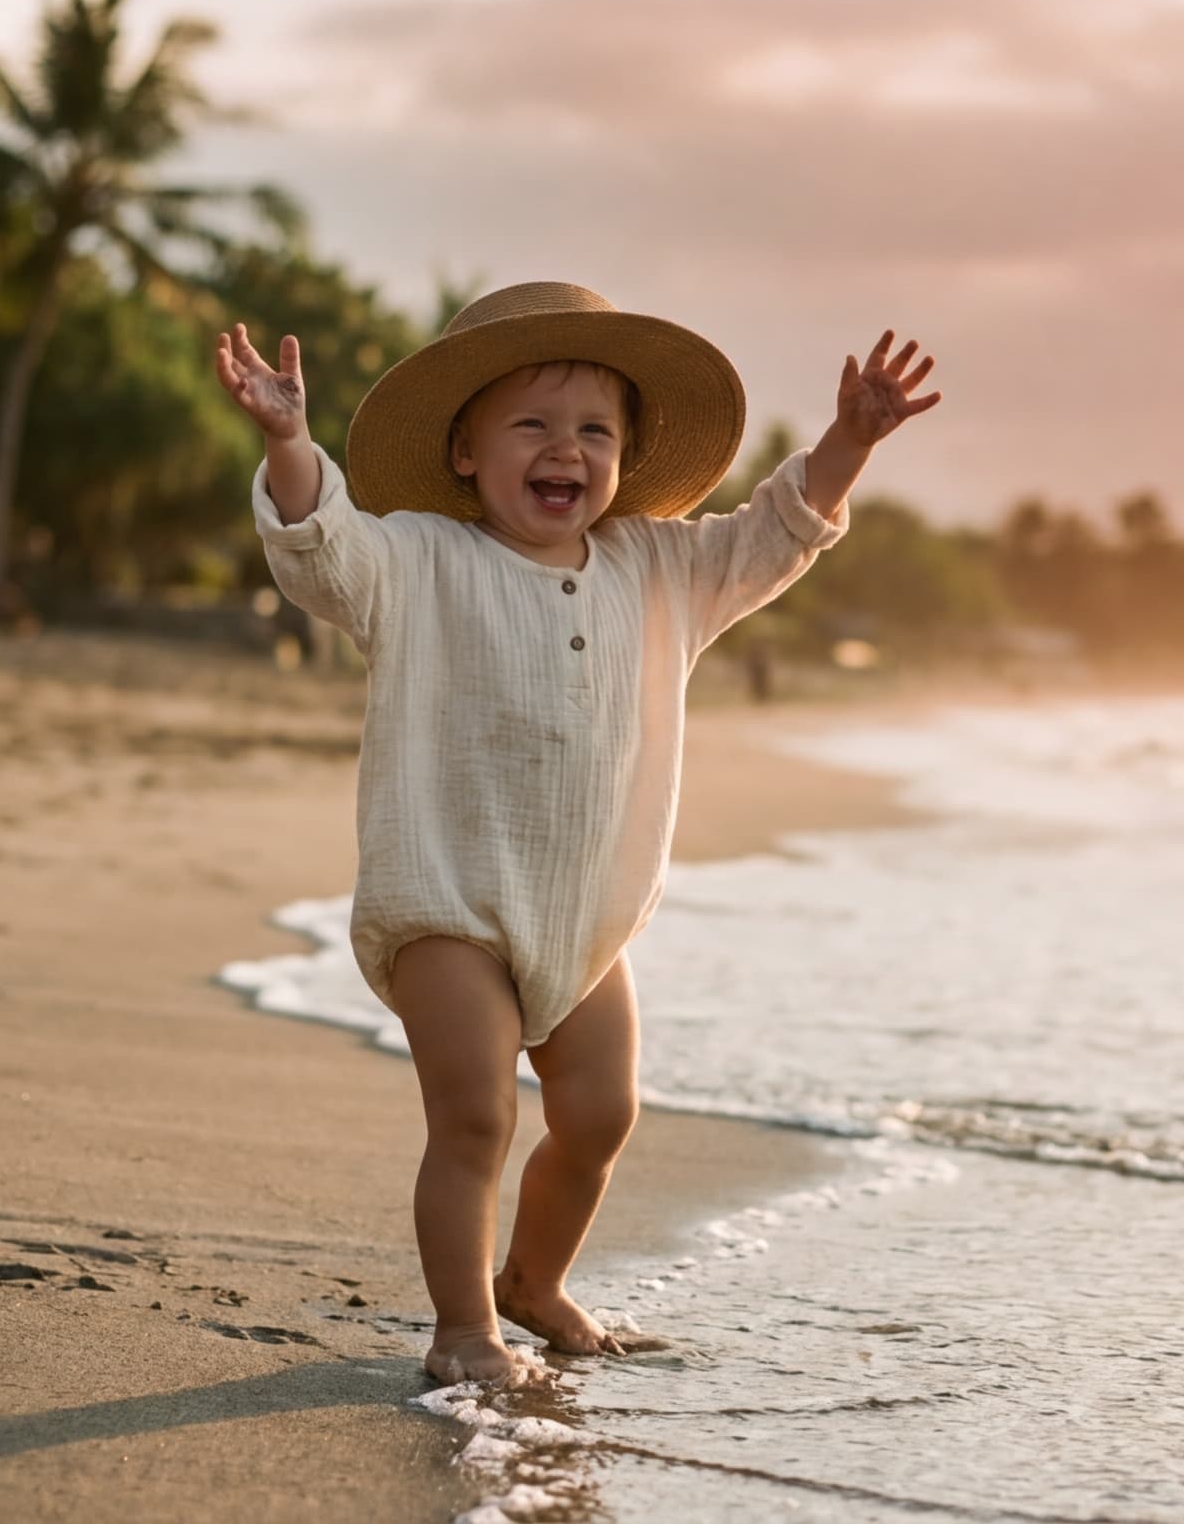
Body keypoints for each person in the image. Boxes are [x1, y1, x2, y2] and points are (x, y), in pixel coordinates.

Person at [211, 282, 940, 1388]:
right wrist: (288, 442)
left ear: (627, 456)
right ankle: (463, 1328)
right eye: (533, 426)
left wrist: (847, 439)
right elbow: (322, 549)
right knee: (475, 1119)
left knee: (601, 1115)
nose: (567, 451)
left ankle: (534, 1280)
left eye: (595, 431)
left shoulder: (659, 572)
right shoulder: (417, 561)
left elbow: (773, 536)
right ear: (465, 451)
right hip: (446, 903)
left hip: (589, 914)